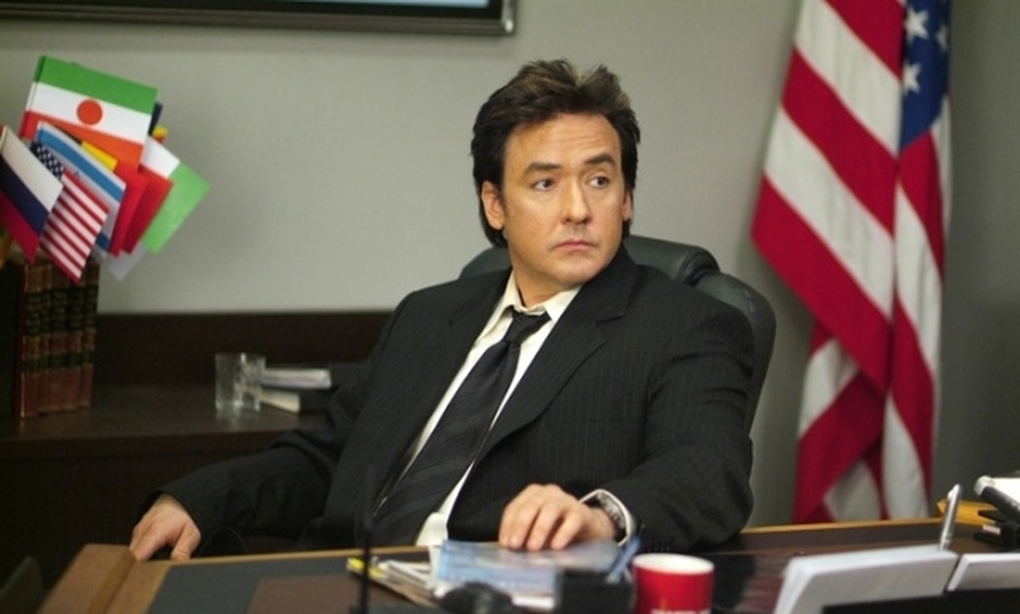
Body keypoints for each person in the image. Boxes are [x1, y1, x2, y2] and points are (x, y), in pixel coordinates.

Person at [129, 59, 754, 561]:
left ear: (627, 198)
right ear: (494, 204)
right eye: (544, 183)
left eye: (599, 180)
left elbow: (707, 472)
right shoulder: (427, 317)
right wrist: (197, 501)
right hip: (341, 582)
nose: (577, 210)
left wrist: (600, 516)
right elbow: (330, 460)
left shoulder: (686, 326)